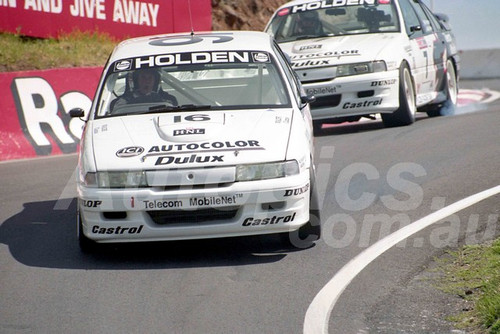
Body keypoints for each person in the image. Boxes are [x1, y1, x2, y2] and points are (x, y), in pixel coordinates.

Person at [111, 68, 178, 111]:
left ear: (155, 81)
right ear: (136, 80)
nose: (146, 81)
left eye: (150, 78)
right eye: (143, 77)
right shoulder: (123, 101)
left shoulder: (168, 100)